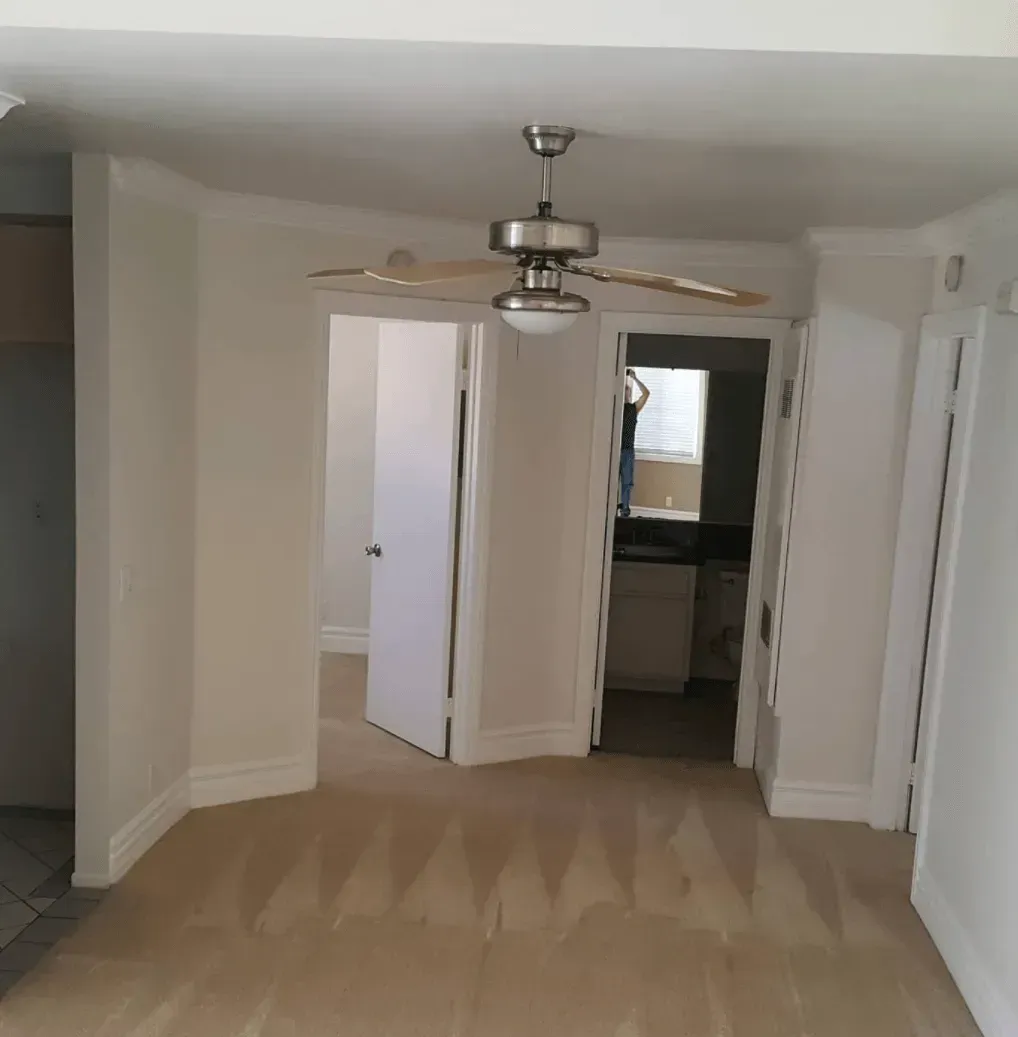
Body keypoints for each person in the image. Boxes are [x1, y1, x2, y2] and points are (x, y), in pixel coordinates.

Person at [619, 368, 649, 517]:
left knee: (627, 482)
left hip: (627, 451)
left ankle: (624, 511)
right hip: (613, 450)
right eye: (624, 390)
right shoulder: (613, 408)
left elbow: (646, 394)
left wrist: (635, 379)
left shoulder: (633, 409)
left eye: (628, 390)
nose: (626, 393)